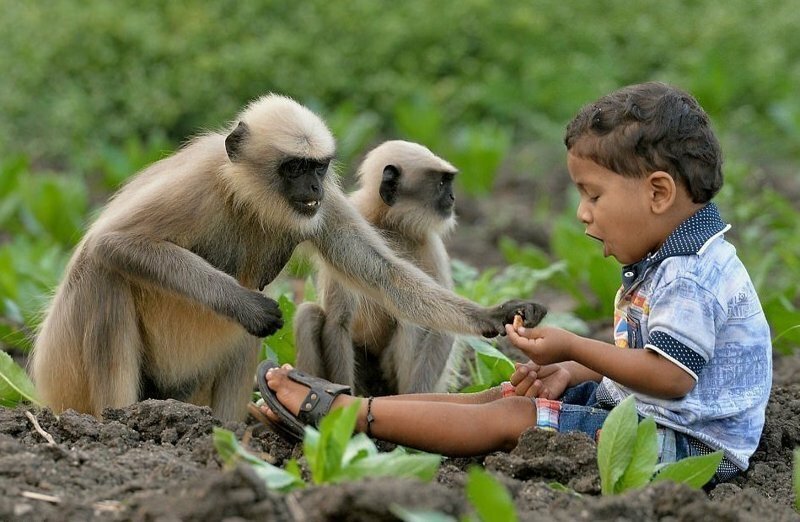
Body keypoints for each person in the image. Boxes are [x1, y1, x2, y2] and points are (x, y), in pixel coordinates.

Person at [258, 81, 772, 483]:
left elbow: (670, 378)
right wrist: (576, 372)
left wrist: (575, 348)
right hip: (651, 418)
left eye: (593, 196)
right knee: (500, 395)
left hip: (681, 447)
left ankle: (344, 415)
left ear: (659, 193)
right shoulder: (673, 258)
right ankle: (349, 408)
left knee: (511, 417)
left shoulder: (693, 275)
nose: (582, 214)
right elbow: (664, 371)